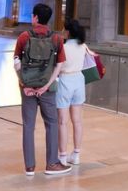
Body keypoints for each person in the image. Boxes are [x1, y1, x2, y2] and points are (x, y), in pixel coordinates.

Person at [14, 3, 70, 176]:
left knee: (28, 125)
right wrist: (46, 85)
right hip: (48, 89)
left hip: (27, 89)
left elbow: (16, 62)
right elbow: (60, 65)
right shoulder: (57, 38)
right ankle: (52, 164)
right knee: (51, 124)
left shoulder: (24, 36)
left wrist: (24, 84)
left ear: (36, 17)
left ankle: (29, 167)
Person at [56, 19, 90, 166]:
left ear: (68, 32)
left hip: (65, 81)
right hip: (79, 81)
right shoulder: (83, 45)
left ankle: (62, 156)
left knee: (62, 122)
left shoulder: (63, 47)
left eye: (64, 29)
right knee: (77, 121)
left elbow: (58, 67)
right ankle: (76, 154)